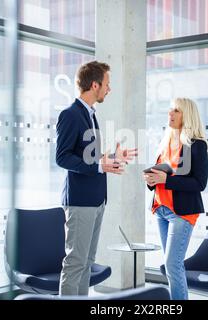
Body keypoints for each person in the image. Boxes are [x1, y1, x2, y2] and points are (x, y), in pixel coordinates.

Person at [56, 61, 137, 296]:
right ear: (95, 85)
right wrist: (100, 165)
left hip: (96, 200)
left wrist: (111, 157)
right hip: (80, 201)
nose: (108, 89)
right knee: (75, 263)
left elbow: (88, 158)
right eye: (107, 84)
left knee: (86, 263)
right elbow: (62, 158)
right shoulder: (71, 115)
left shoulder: (90, 115)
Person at [143, 97, 208, 300]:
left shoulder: (197, 145)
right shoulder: (166, 143)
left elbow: (200, 183)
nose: (170, 114)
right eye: (170, 110)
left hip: (182, 213)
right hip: (161, 209)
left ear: (187, 116)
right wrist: (151, 179)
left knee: (172, 265)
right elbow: (160, 177)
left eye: (176, 111)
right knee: (172, 265)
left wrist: (167, 180)